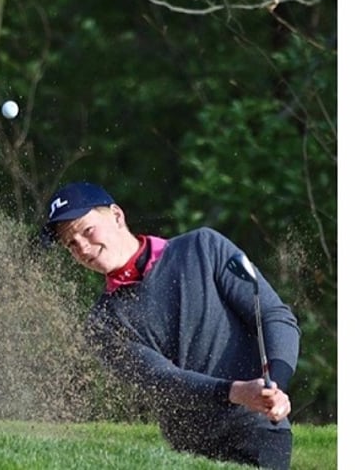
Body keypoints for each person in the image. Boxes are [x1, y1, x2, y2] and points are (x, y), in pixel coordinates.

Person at [44, 181, 300, 469]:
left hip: (257, 433)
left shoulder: (204, 248)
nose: (82, 247)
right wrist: (236, 391)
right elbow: (163, 380)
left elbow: (274, 316)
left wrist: (276, 384)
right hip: (188, 453)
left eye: (87, 230)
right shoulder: (103, 323)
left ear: (117, 216)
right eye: (70, 244)